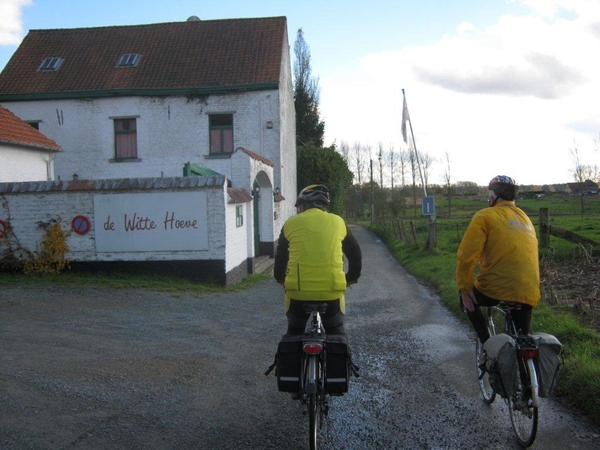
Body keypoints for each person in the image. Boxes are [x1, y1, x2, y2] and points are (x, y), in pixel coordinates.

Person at [456, 175, 540, 344]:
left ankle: (487, 346)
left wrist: (465, 289)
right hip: (528, 290)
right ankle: (528, 367)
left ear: (493, 197)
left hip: (494, 288)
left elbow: (466, 257)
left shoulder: (485, 216)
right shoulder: (525, 219)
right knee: (522, 341)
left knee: (464, 296)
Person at [274, 184, 362, 335]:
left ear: (303, 206)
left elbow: (281, 257)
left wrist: (281, 278)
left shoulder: (290, 223)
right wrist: (351, 278)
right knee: (336, 331)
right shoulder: (339, 222)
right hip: (332, 292)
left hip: (297, 292)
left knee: (294, 331)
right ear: (324, 206)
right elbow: (355, 254)